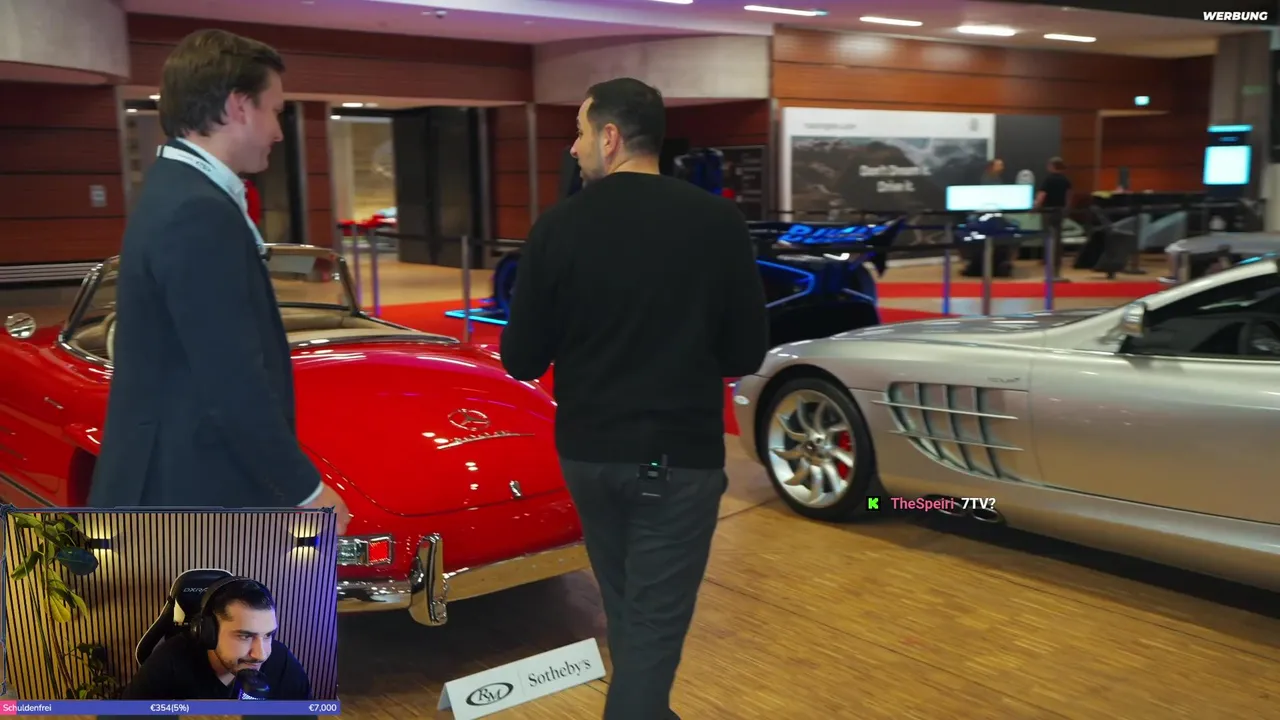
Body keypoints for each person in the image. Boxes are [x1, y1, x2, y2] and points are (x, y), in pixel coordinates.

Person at [499, 77, 769, 720]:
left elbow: (521, 358)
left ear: (611, 138)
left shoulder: (558, 227)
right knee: (651, 623)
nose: (573, 148)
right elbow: (745, 354)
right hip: (677, 458)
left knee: (629, 610)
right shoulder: (717, 222)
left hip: (590, 455)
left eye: (580, 132)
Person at [86, 29, 349, 530]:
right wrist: (305, 490)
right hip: (189, 494)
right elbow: (230, 377)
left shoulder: (178, 189)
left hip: (177, 484)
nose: (278, 131)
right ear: (238, 106)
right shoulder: (196, 210)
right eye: (275, 110)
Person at [122, 577, 311, 700]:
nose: (261, 654)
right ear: (208, 633)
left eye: (268, 635)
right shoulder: (169, 662)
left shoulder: (282, 661)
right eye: (245, 636)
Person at [1035, 156, 1073, 283]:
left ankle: (1049, 271)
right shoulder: (1065, 180)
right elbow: (1068, 196)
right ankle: (1057, 271)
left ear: (1052, 166)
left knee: (1049, 241)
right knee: (1057, 241)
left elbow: (1042, 195)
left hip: (1048, 212)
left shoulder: (1048, 179)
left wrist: (1035, 207)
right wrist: (1066, 209)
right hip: (1059, 212)